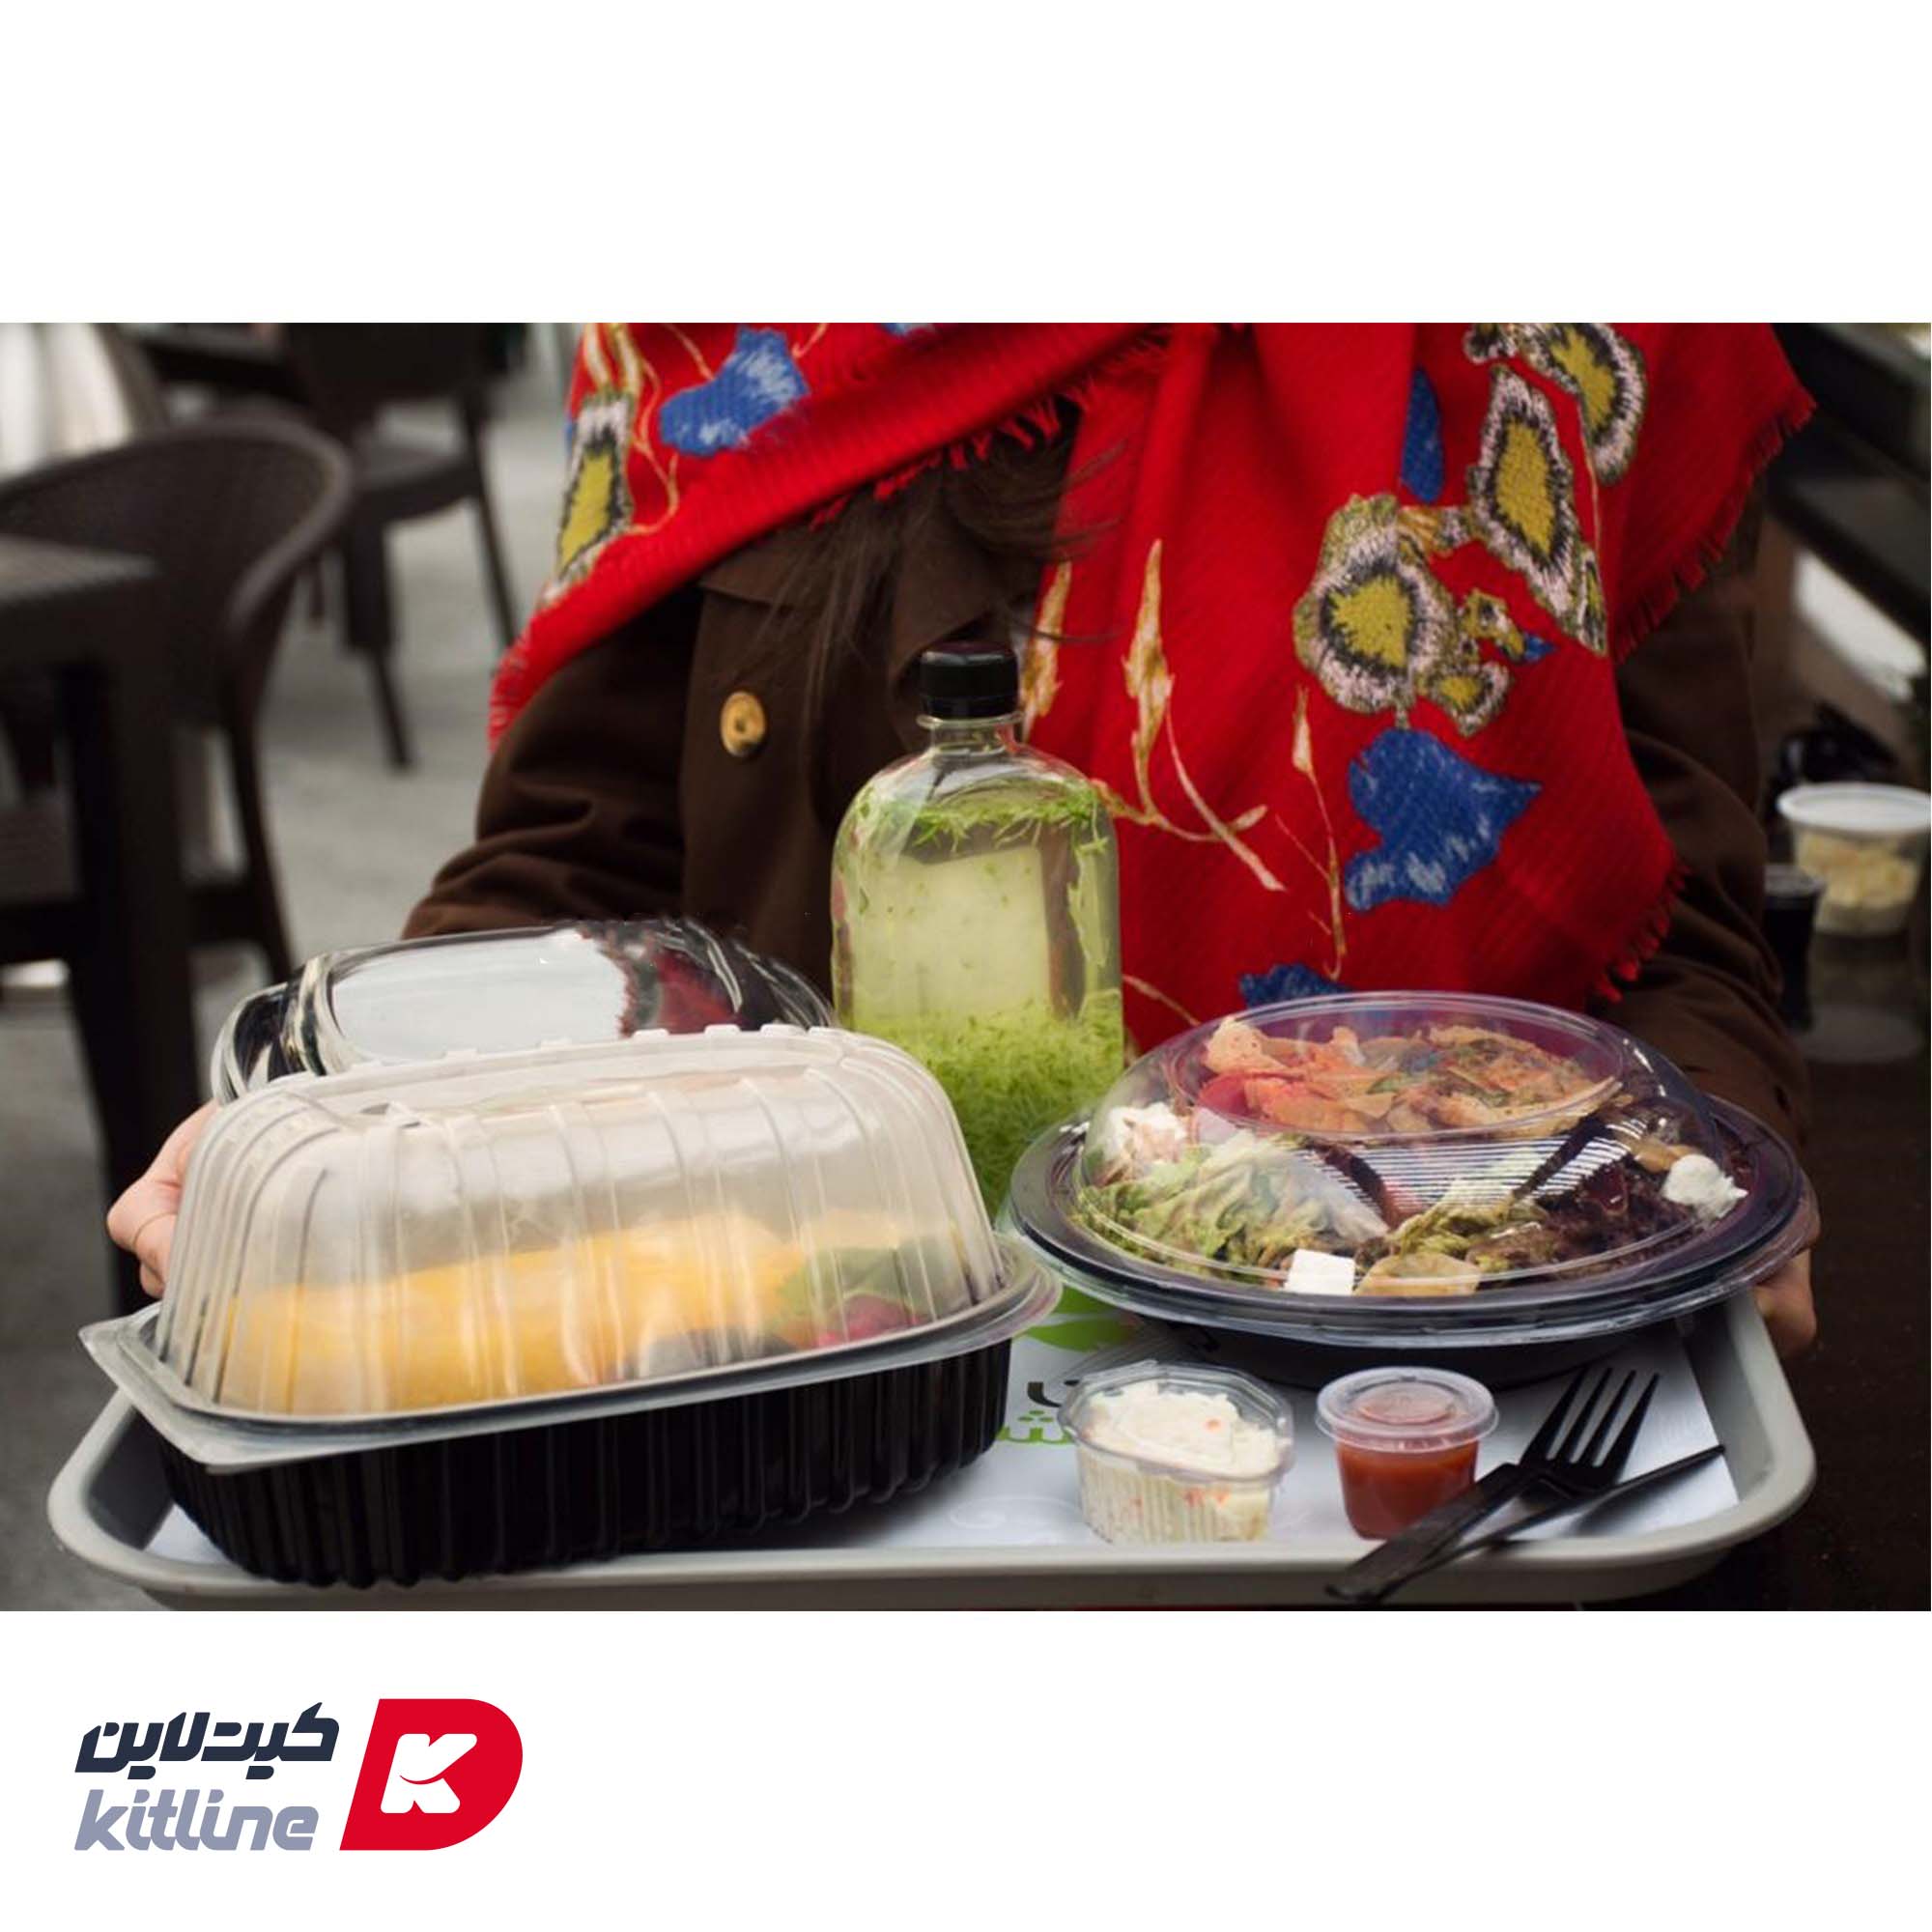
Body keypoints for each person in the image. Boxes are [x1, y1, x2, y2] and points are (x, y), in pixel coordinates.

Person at [110, 323, 1818, 1353]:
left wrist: (1706, 1202)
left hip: (1415, 1390)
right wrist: (335, 1135)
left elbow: (1674, 928)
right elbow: (582, 878)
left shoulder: (1567, 321)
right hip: (814, 1374)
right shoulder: (722, 317)